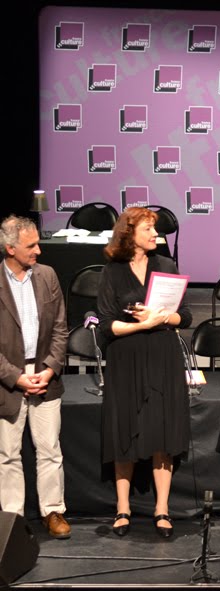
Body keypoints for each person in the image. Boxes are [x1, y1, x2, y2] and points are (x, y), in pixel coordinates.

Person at [97, 207, 192, 538]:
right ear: (129, 234)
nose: (155, 234)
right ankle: (122, 507)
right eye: (148, 229)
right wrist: (143, 324)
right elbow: (106, 324)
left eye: (155, 228)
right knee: (124, 427)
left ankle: (162, 508)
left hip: (162, 356)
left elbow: (185, 316)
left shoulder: (165, 265)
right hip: (125, 357)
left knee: (162, 429)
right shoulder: (112, 271)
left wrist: (162, 317)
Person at [0, 215, 70, 538]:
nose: (38, 251)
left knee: (50, 449)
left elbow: (60, 328)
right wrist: (16, 377)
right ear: (10, 248)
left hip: (45, 376)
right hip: (8, 381)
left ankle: (52, 511)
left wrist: (50, 368)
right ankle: (12, 520)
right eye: (31, 246)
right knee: (7, 455)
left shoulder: (47, 275)